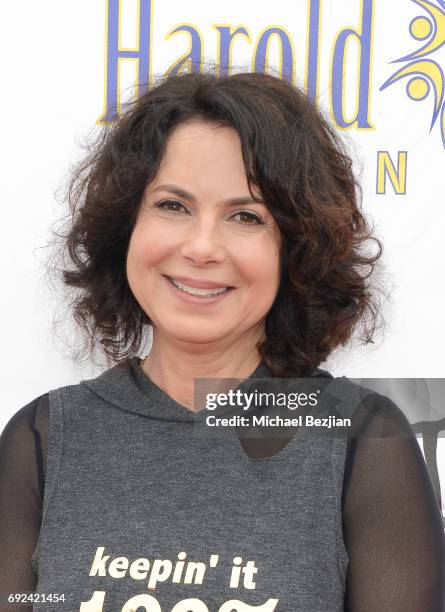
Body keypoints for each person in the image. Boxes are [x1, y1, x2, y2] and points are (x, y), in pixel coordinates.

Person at [0, 68, 444, 611]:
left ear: (295, 249)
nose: (202, 246)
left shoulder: (361, 439)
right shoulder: (42, 437)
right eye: (172, 205)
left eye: (245, 216)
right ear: (126, 227)